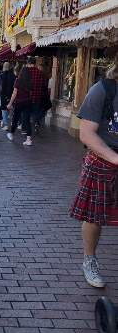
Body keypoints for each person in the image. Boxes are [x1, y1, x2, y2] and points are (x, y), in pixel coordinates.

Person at [69, 44, 118, 288]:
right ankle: (89, 259)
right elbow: (87, 134)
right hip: (103, 159)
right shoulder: (103, 90)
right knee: (95, 216)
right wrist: (115, 158)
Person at [6, 65, 33, 145]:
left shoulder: (17, 81)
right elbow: (30, 92)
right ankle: (28, 139)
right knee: (27, 120)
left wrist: (10, 103)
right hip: (28, 101)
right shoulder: (30, 82)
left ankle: (11, 134)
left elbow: (14, 93)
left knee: (15, 119)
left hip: (19, 102)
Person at [26, 56, 47, 133]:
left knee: (26, 113)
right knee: (35, 112)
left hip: (27, 96)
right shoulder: (40, 73)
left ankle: (26, 128)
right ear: (35, 63)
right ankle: (36, 123)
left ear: (28, 63)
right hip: (37, 96)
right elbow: (44, 84)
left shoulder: (25, 72)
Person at [0, 62, 16, 131]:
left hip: (3, 94)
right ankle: (13, 122)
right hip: (11, 94)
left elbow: (0, 86)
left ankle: (5, 124)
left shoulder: (1, 76)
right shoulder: (13, 76)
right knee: (11, 109)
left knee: (4, 109)